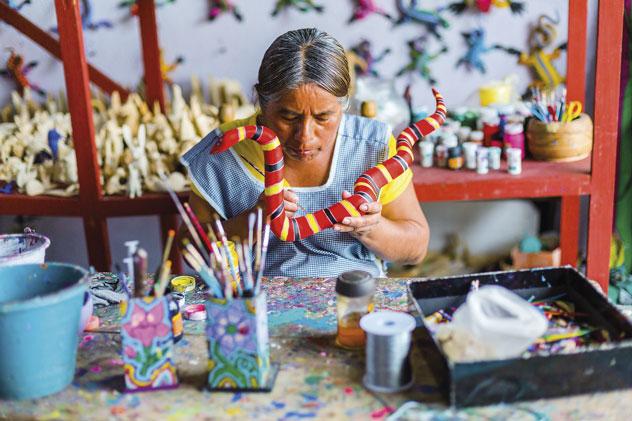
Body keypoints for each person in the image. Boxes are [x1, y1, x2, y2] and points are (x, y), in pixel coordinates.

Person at [181, 28, 430, 278]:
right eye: (289, 117)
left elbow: (416, 250)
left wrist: (371, 228)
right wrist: (253, 220)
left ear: (343, 106)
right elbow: (190, 251)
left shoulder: (371, 147)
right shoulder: (225, 151)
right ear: (261, 102)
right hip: (256, 296)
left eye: (323, 117)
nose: (305, 136)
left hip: (353, 293)